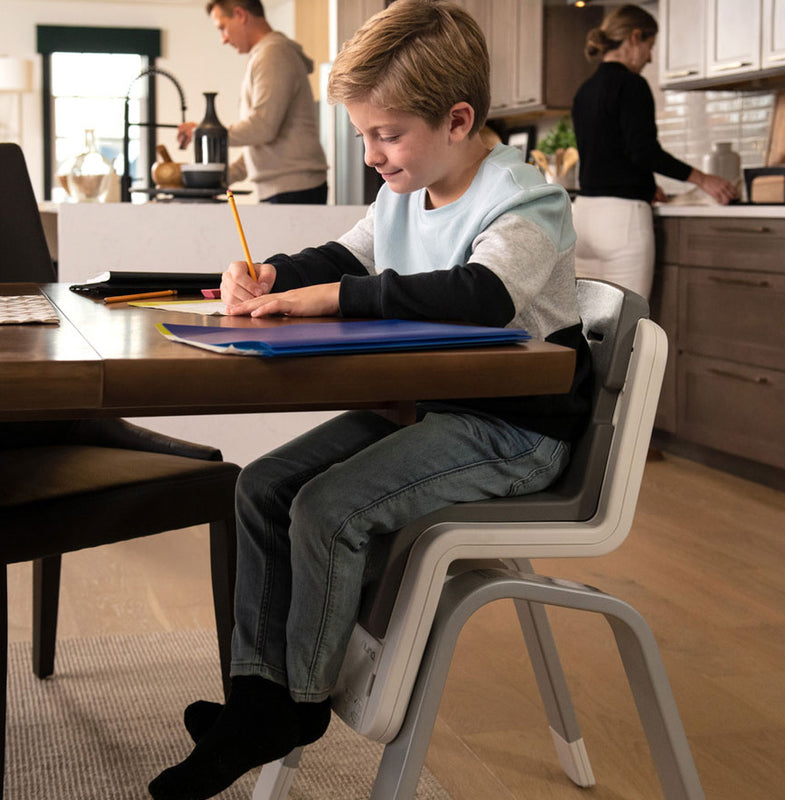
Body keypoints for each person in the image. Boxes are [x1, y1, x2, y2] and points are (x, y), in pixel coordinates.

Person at [149, 2, 592, 798]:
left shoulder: (524, 200)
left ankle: (300, 704)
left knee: (330, 508)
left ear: (458, 119)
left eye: (386, 134)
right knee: (261, 486)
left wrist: (332, 300)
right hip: (429, 410)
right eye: (362, 136)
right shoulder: (403, 192)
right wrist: (276, 275)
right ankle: (257, 698)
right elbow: (343, 252)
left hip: (517, 430)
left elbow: (481, 294)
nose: (372, 154)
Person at [571, 4, 738, 300]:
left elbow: (610, 154)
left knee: (584, 328)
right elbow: (643, 150)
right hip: (622, 222)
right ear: (635, 37)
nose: (649, 58)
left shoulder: (584, 90)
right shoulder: (632, 85)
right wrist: (703, 179)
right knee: (628, 333)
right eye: (650, 46)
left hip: (582, 219)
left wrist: (645, 183)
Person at [178, 0, 328, 204]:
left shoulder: (274, 53)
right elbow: (260, 144)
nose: (223, 39)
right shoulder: (266, 55)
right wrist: (218, 180)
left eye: (222, 27)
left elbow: (263, 127)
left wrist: (203, 133)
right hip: (286, 188)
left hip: (293, 190)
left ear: (240, 15)